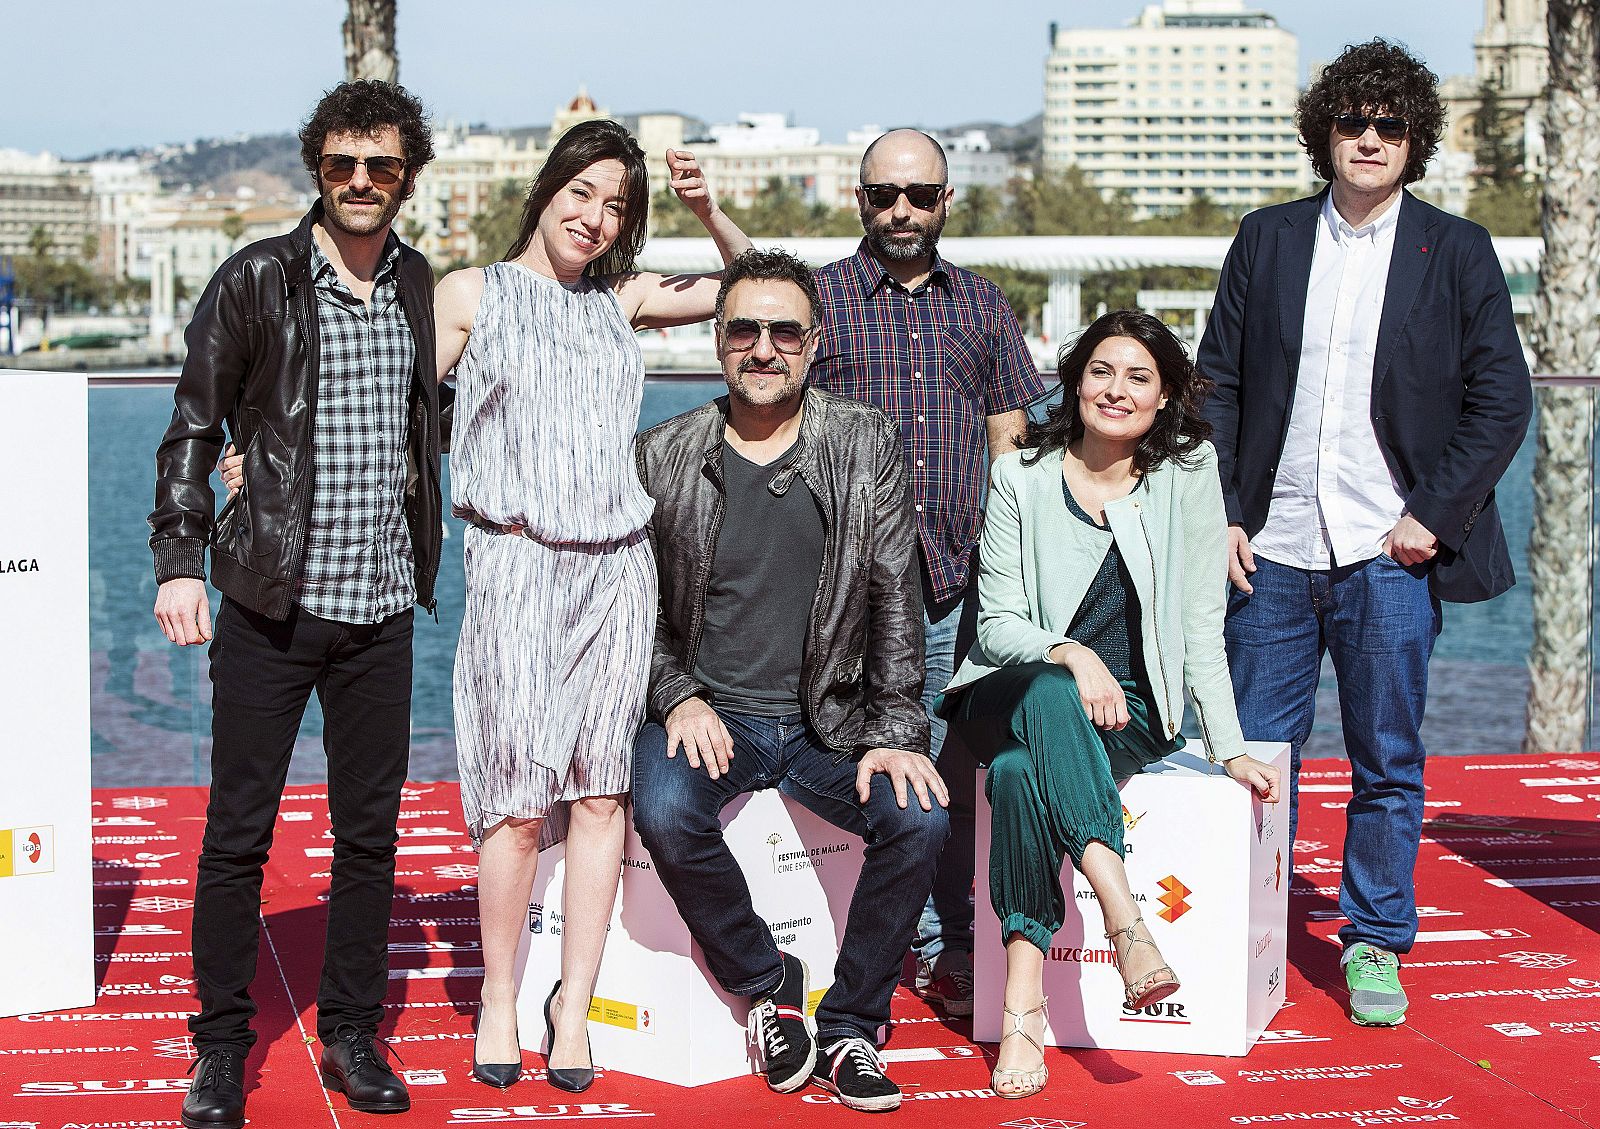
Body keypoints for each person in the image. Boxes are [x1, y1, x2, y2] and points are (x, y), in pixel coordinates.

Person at [1197, 39, 1532, 1028]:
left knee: (1387, 757)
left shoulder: (1456, 249)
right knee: (1256, 755)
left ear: (1415, 139)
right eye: (1353, 121)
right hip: (1271, 549)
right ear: (1326, 134)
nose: (1371, 138)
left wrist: (1433, 513)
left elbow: (1501, 399)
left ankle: (1375, 939)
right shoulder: (1266, 238)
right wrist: (1223, 509)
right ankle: (1243, 929)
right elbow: (1217, 385)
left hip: (1391, 551)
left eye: (1391, 123)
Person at [433, 119, 751, 1092]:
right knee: (515, 803)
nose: (595, 217)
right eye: (582, 192)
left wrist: (707, 210)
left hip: (616, 571)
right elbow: (383, 398)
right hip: (514, 566)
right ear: (547, 189)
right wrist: (263, 457)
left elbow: (759, 290)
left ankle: (573, 1003)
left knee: (602, 791)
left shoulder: (625, 300)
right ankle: (499, 996)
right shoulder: (471, 294)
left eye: (616, 206)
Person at [149, 81, 443, 1128]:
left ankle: (353, 1032)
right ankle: (221, 1044)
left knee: (370, 836)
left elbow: (433, 419)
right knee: (239, 832)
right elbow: (195, 425)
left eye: (382, 164)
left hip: (382, 607)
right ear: (316, 167)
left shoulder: (420, 285)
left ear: (408, 176)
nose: (361, 181)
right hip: (270, 602)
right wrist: (179, 556)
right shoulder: (257, 278)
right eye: (341, 163)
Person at [630, 248, 949, 1113]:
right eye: (744, 329)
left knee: (920, 818)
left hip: (830, 722)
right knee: (664, 809)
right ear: (717, 339)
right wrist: (676, 693)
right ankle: (769, 982)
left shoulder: (865, 440)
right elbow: (633, 611)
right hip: (713, 715)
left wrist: (896, 731)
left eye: (784, 331)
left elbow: (893, 593)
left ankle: (851, 1022)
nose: (763, 348)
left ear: (813, 342)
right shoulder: (662, 454)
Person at [940, 311, 1280, 1099]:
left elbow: (1201, 618)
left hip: (1130, 709)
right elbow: (997, 624)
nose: (1116, 390)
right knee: (1048, 694)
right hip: (1011, 687)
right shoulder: (1022, 473)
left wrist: (1228, 745)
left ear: (1164, 397)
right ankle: (1125, 915)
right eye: (1101, 370)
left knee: (1019, 775)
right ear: (1074, 380)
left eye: (1138, 377)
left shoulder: (1188, 470)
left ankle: (1021, 1007)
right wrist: (1069, 650)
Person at [808, 128, 1048, 1017]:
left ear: (946, 200)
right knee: (834, 756)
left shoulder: (983, 305)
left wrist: (1017, 579)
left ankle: (947, 945)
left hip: (950, 586)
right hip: (837, 587)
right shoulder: (819, 298)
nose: (901, 211)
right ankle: (846, 928)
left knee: (940, 771)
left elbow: (1011, 448)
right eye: (884, 195)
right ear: (860, 199)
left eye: (918, 195)